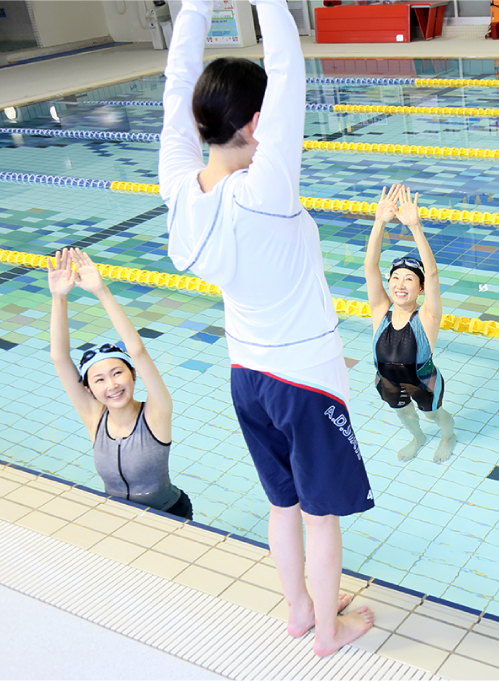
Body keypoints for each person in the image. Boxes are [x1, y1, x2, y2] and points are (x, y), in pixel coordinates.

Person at [158, 0, 373, 655]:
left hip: (247, 377)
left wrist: (195, 7)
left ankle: (300, 610)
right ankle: (329, 633)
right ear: (258, 122)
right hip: (305, 381)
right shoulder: (266, 191)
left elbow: (175, 85)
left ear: (201, 122)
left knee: (284, 505)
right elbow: (288, 66)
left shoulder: (179, 189)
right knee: (321, 516)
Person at [47, 248, 193, 521]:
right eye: (99, 379)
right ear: (89, 390)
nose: (112, 385)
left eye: (117, 373)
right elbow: (59, 357)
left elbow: (138, 351)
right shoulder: (94, 418)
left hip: (169, 514)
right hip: (116, 516)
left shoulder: (156, 413)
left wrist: (101, 291)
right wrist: (59, 297)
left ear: (133, 374)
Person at [364, 184, 457, 463]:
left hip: (423, 382)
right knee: (403, 413)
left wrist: (415, 227)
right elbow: (370, 268)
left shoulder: (427, 317)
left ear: (421, 288)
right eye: (395, 278)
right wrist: (379, 222)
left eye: (409, 279)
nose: (400, 284)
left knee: (433, 414)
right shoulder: (381, 311)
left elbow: (433, 273)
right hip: (387, 380)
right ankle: (418, 438)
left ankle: (448, 436)